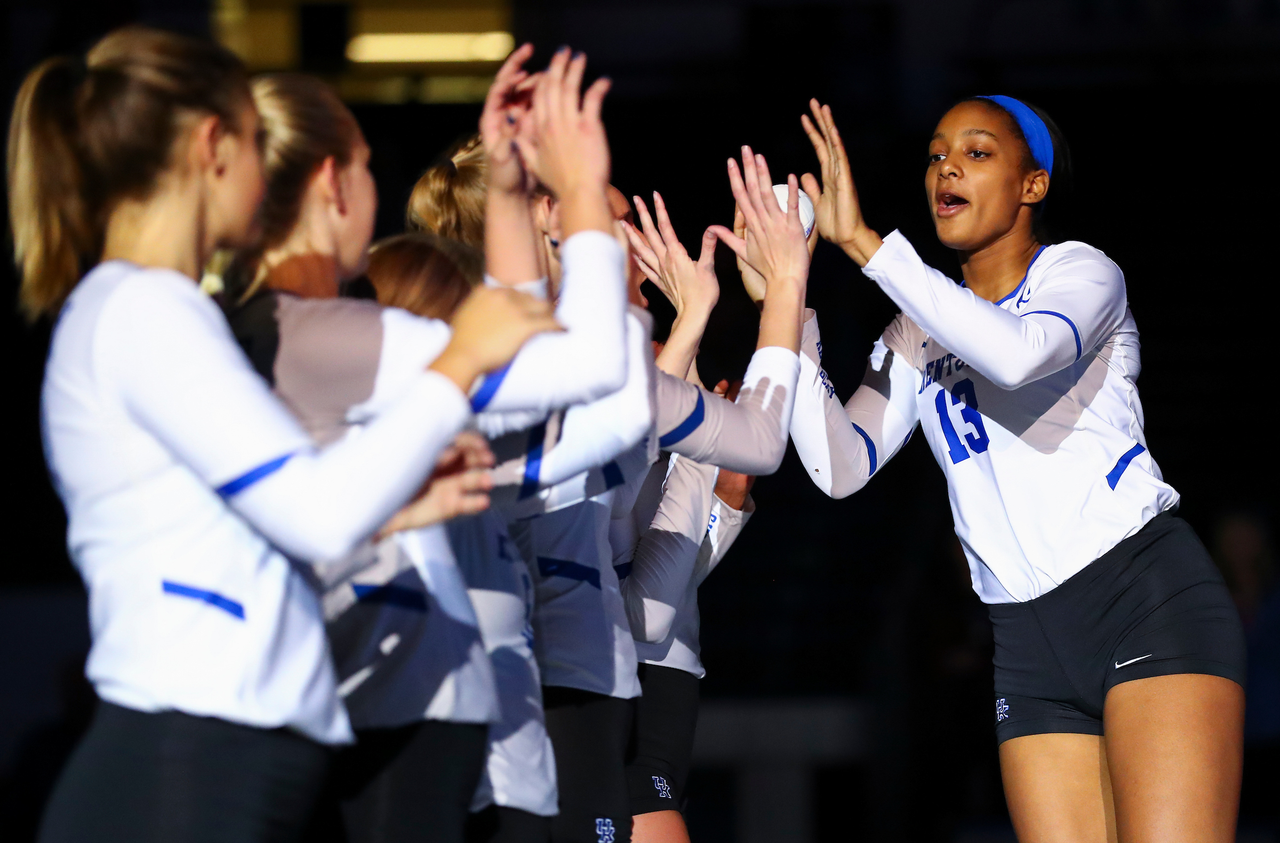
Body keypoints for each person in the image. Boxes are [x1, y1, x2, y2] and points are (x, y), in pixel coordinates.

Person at [9, 26, 556, 843]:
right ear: (211, 147)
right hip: (184, 768)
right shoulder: (143, 309)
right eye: (259, 144)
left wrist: (390, 503)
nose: (273, 177)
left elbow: (285, 513)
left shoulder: (150, 307)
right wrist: (463, 353)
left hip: (210, 765)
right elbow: (315, 510)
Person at [787, 95, 1247, 842]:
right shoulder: (918, 325)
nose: (947, 168)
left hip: (1143, 599)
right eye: (936, 153)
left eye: (976, 153)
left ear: (1033, 185)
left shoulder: (1081, 271)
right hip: (1027, 644)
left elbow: (1018, 354)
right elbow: (841, 465)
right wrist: (788, 302)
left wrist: (868, 245)